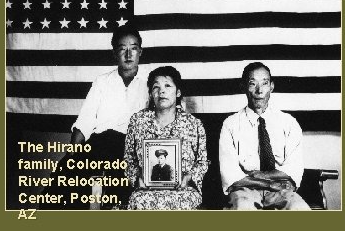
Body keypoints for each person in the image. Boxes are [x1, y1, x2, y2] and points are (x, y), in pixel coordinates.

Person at [40, 27, 150, 210]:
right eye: (123, 49)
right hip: (101, 143)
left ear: (140, 51)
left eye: (133, 48)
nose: (129, 54)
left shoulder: (149, 82)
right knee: (65, 173)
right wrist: (72, 152)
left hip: (130, 146)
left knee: (120, 184)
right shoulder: (102, 81)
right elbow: (86, 119)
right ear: (115, 53)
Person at [219, 62, 309, 210]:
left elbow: (294, 169)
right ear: (243, 87)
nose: (259, 91)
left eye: (265, 83)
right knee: (242, 207)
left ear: (271, 86)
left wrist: (260, 175)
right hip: (245, 190)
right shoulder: (230, 125)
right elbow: (231, 176)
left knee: (299, 208)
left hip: (281, 189)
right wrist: (267, 183)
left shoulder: (289, 123)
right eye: (252, 84)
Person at [124, 66, 208, 210]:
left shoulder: (194, 124)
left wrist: (188, 178)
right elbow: (129, 159)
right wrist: (137, 180)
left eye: (167, 86)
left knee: (185, 202)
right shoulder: (138, 121)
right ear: (151, 94)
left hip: (183, 191)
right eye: (156, 87)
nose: (161, 91)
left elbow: (202, 162)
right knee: (138, 201)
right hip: (146, 191)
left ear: (178, 92)